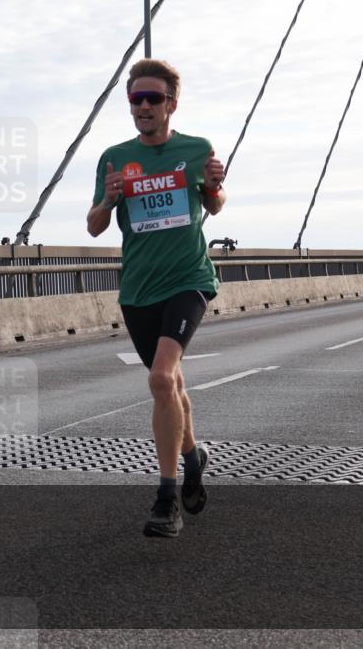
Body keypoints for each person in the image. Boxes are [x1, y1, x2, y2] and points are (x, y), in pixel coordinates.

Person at [87, 58, 226, 538]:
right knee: (171, 387)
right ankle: (192, 457)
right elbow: (94, 224)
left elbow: (212, 202)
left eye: (153, 98)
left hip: (188, 280)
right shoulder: (114, 157)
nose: (143, 106)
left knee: (163, 377)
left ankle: (167, 498)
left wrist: (214, 183)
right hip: (139, 289)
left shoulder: (195, 148)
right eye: (135, 99)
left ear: (171, 103)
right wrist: (108, 199)